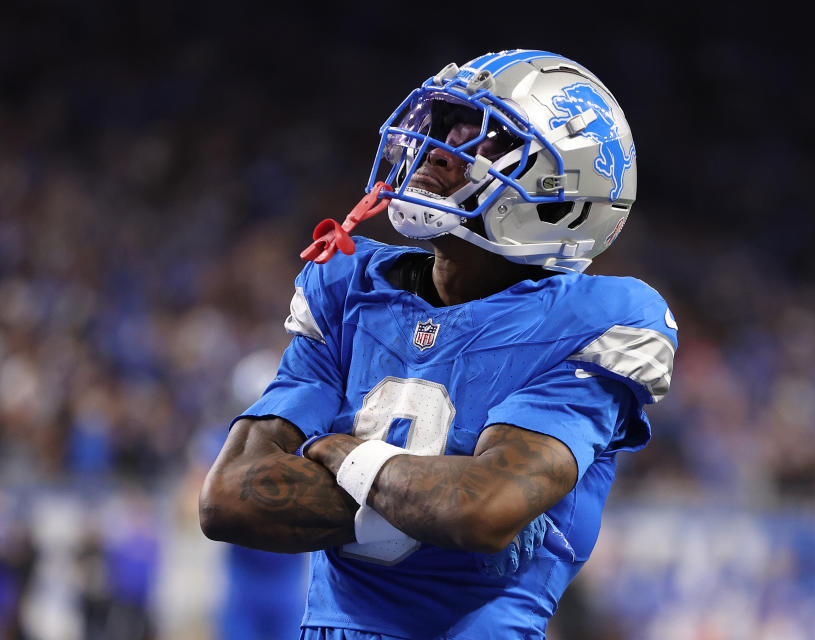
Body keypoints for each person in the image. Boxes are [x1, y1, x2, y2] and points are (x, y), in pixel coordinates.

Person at [199, 49, 678, 640]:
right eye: (446, 126)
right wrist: (420, 504)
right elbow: (230, 498)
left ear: (561, 193)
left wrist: (346, 455)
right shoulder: (346, 287)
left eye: (484, 139)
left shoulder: (597, 319)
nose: (438, 149)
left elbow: (482, 509)